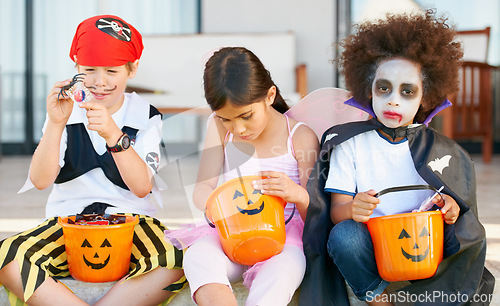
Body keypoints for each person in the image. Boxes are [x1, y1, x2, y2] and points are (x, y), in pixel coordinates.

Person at [300, 10, 489, 305]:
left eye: (408, 91)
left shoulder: (442, 151)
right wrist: (353, 208)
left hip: (424, 248)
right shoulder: (350, 144)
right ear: (368, 89)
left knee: (471, 232)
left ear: (426, 97)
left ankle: (428, 297)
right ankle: (378, 298)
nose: (393, 100)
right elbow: (336, 214)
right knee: (344, 237)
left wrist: (451, 209)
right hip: (373, 250)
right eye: (384, 88)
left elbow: (454, 212)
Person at [0, 15, 185, 305]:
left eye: (112, 71)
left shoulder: (145, 115)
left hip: (132, 221)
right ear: (76, 68)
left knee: (177, 256)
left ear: (132, 68)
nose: (100, 82)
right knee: (7, 254)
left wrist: (114, 134)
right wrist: (56, 123)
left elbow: (141, 187)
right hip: (66, 222)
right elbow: (40, 180)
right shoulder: (65, 109)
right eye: (89, 70)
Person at [166, 47, 319, 305]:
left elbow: (316, 216)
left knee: (280, 274)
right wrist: (215, 209)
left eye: (246, 116)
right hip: (232, 233)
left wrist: (297, 195)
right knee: (197, 257)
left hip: (284, 239)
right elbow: (203, 188)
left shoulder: (300, 137)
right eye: (226, 119)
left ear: (270, 96)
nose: (238, 128)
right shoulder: (218, 129)